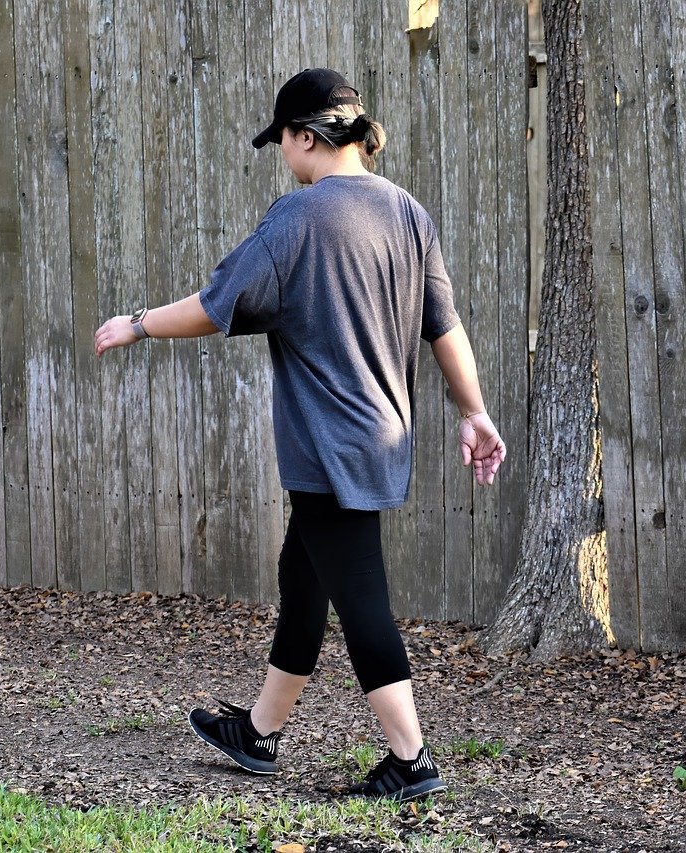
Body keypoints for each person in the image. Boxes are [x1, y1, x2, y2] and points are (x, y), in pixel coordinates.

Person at [93, 68, 506, 803]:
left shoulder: (298, 219)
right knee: (304, 578)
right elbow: (445, 328)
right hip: (380, 437)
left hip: (327, 445)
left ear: (306, 136)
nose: (283, 154)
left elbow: (217, 303)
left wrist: (136, 324)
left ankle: (410, 759)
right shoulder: (409, 214)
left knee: (362, 599)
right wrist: (473, 411)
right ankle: (259, 730)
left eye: (282, 140)